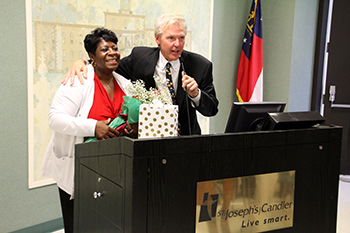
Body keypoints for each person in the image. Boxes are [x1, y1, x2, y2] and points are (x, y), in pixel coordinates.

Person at [40, 28, 137, 233]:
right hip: (82, 168)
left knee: (105, 223)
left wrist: (130, 128)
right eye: (104, 49)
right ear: (92, 57)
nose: (112, 52)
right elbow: (54, 118)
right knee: (78, 223)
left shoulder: (124, 84)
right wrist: (93, 127)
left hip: (114, 170)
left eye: (115, 47)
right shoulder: (79, 81)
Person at [63, 13, 219, 135]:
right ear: (157, 39)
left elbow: (212, 110)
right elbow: (109, 67)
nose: (177, 44)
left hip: (186, 141)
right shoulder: (139, 57)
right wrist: (84, 62)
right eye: (171, 38)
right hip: (147, 139)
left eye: (181, 38)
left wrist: (196, 94)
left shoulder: (200, 66)